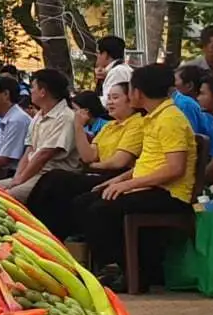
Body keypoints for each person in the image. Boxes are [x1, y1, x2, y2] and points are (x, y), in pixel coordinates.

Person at [70, 64, 194, 288]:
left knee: (102, 209)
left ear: (138, 93)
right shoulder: (153, 118)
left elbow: (175, 168)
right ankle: (114, 266)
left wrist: (130, 185)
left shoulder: (170, 120)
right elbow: (148, 164)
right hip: (150, 185)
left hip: (170, 193)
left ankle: (131, 272)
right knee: (85, 200)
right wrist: (119, 180)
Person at [27, 82, 142, 237]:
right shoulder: (109, 126)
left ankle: (53, 235)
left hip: (118, 176)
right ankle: (38, 230)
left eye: (115, 98)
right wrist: (78, 126)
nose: (109, 102)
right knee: (52, 178)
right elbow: (88, 156)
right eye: (108, 97)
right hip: (98, 172)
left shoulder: (137, 124)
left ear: (131, 100)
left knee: (60, 182)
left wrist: (94, 165)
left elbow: (118, 162)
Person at [1, 68, 75, 201]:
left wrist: (20, 180)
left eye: (32, 87)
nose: (31, 91)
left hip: (50, 178)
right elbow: (29, 148)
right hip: (32, 174)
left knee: (5, 198)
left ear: (43, 92)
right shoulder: (39, 115)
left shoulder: (66, 117)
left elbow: (44, 154)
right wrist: (18, 177)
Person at [0, 75, 30, 180]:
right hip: (0, 171)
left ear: (5, 94)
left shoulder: (17, 119)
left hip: (12, 174)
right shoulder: (3, 118)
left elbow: (3, 160)